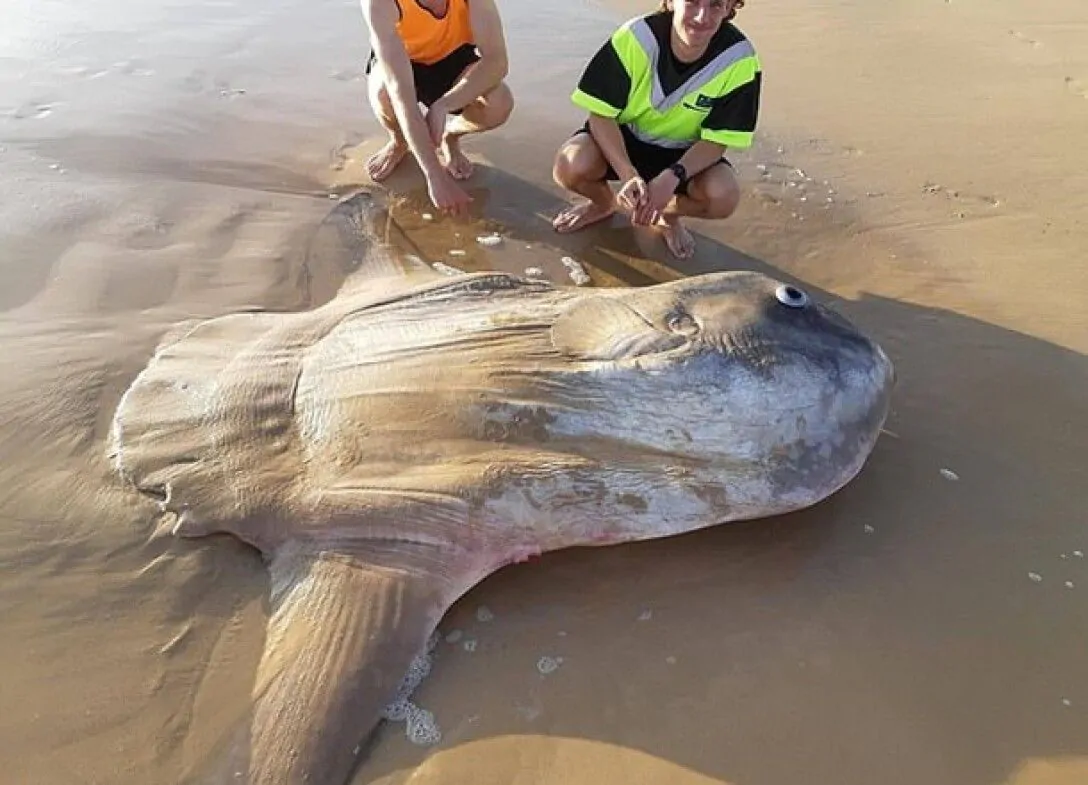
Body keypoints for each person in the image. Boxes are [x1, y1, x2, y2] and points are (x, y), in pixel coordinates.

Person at [551, 0, 761, 259]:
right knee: (569, 165)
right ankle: (603, 204)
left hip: (684, 154)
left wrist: (673, 176)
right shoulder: (636, 38)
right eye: (692, 2)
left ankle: (666, 216)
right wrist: (627, 174)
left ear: (730, 8)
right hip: (623, 139)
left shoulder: (739, 59)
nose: (701, 16)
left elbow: (716, 142)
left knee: (723, 196)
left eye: (716, 5)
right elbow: (601, 114)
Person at [361, 0, 515, 217]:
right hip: (404, 58)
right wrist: (434, 174)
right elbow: (400, 93)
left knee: (499, 103)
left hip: (453, 56)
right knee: (384, 93)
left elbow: (497, 62)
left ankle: (450, 137)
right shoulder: (379, 3)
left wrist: (443, 106)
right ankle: (398, 141)